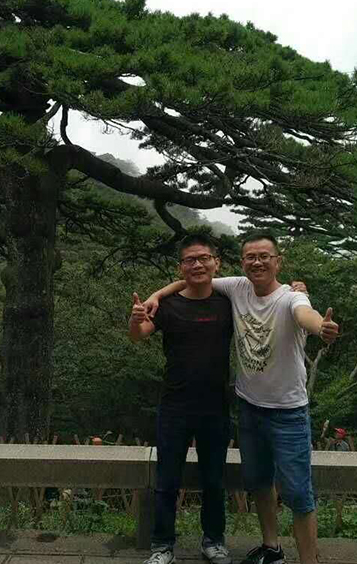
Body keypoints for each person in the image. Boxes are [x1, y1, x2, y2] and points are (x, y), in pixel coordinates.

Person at [145, 232, 338, 564]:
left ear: (278, 261)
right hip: (248, 407)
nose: (257, 262)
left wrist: (321, 327)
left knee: (298, 493)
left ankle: (309, 560)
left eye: (265, 256)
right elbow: (193, 278)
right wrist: (156, 295)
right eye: (251, 256)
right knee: (260, 483)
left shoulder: (292, 298)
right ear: (241, 262)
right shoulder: (236, 287)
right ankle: (271, 549)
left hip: (288, 412)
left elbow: (305, 314)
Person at [128, 234, 234, 564]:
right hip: (175, 404)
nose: (197, 264)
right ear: (181, 267)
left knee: (214, 480)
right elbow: (139, 335)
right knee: (167, 480)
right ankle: (162, 546)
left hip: (216, 405)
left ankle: (213, 540)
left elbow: (266, 293)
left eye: (204, 258)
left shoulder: (229, 301)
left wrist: (296, 290)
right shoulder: (168, 305)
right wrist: (135, 320)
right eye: (190, 260)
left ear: (216, 263)